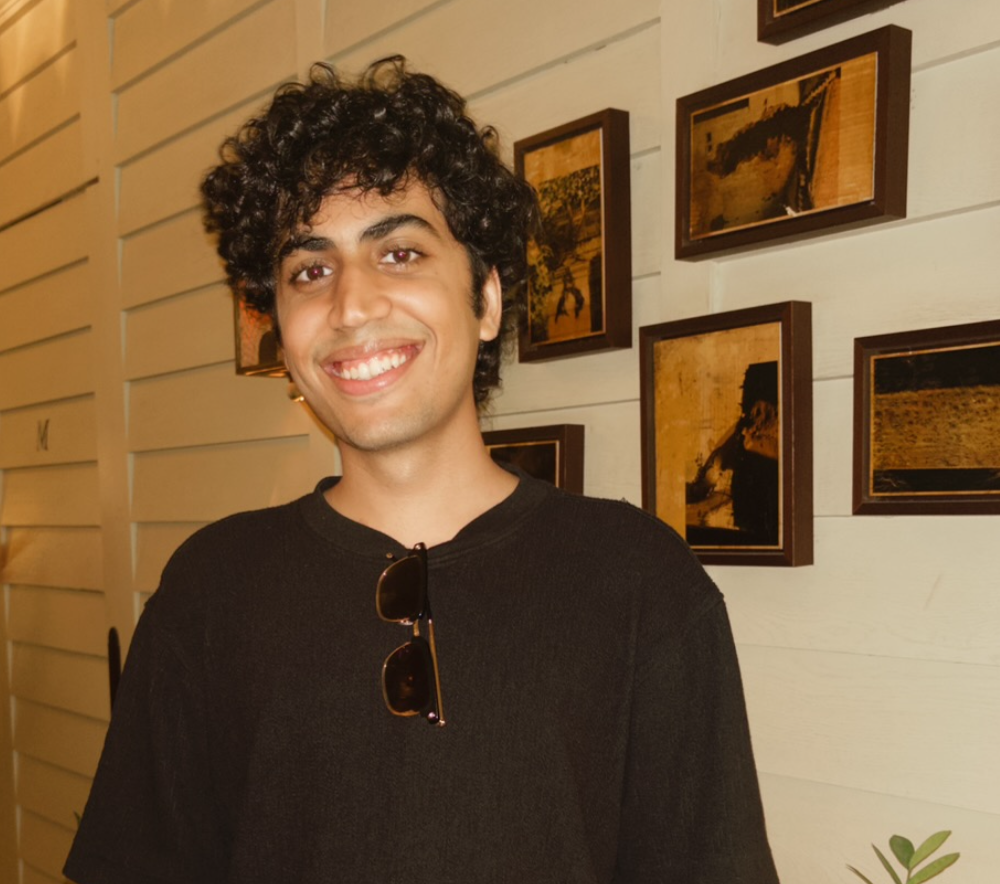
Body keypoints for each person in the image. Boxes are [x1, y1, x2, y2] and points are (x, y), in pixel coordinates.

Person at [64, 57, 780, 884]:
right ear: (282, 334)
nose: (352, 305)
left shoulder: (639, 582)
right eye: (309, 269)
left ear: (486, 301)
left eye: (398, 253)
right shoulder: (210, 590)